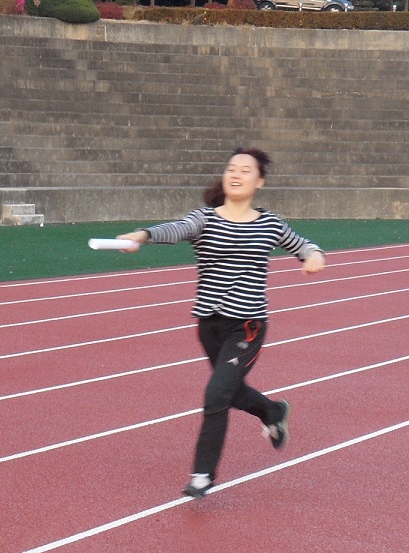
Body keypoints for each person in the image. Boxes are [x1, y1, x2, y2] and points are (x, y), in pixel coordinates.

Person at [116, 148, 325, 499]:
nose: (236, 174)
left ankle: (202, 474)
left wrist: (314, 256)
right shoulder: (205, 219)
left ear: (259, 182)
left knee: (216, 393)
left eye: (246, 170)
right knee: (228, 390)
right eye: (232, 168)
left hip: (247, 325)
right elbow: (177, 228)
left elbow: (302, 244)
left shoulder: (269, 224)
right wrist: (142, 235)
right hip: (209, 324)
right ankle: (273, 411)